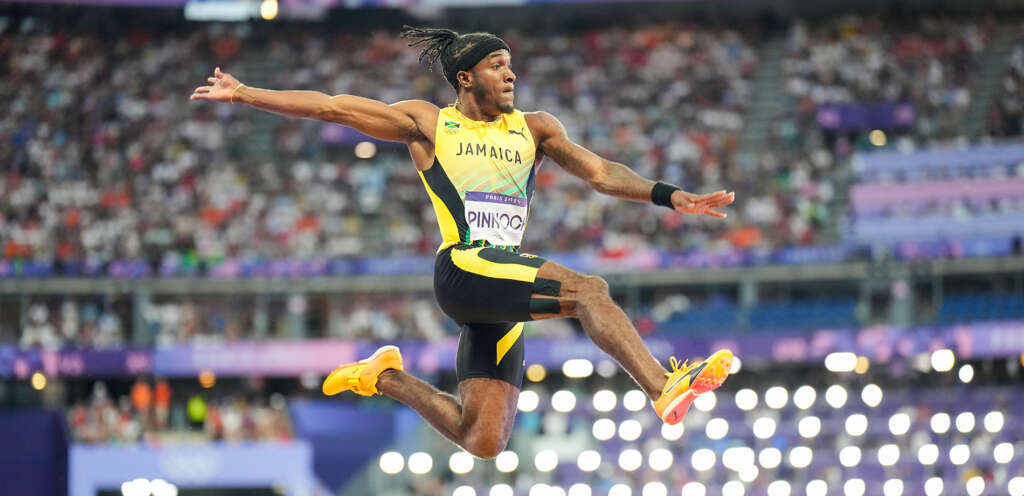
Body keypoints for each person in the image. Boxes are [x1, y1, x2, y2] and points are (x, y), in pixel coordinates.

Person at [191, 26, 736, 459]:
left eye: (511, 66)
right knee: (589, 290)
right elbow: (332, 107)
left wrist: (668, 196)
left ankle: (385, 376)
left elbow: (600, 172)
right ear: (465, 77)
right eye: (498, 66)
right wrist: (244, 93)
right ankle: (664, 384)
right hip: (465, 266)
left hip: (502, 284)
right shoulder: (430, 124)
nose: (511, 75)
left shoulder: (536, 128)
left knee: (483, 440)